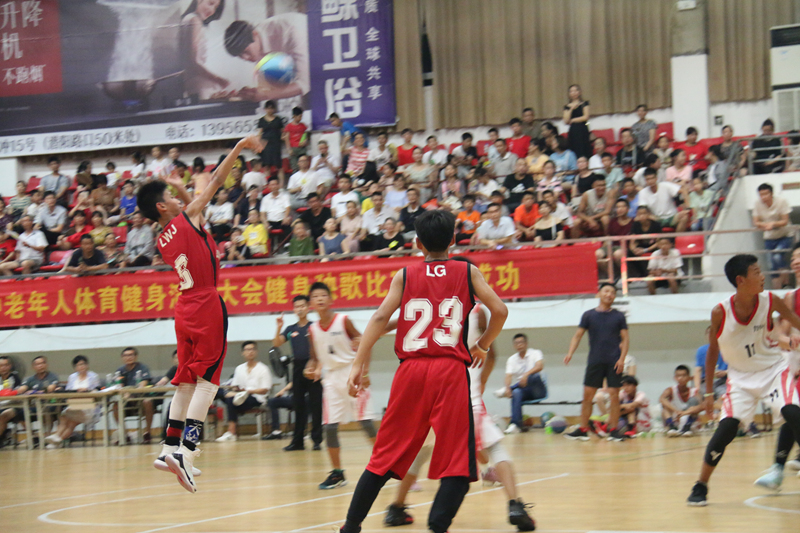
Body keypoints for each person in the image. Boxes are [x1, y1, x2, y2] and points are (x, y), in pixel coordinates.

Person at [338, 209, 508, 533]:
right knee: (459, 463)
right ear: (453, 240)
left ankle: (350, 526)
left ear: (418, 243)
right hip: (450, 371)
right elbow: (499, 310)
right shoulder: (467, 271)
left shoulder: (404, 275)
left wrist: (357, 363)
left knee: (383, 458)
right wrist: (483, 345)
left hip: (410, 371)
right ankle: (437, 525)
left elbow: (378, 319)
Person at [138, 134, 264, 492]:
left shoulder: (164, 235)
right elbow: (215, 181)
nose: (177, 198)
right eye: (170, 196)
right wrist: (239, 147)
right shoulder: (187, 217)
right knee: (208, 383)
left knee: (186, 382)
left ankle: (168, 448)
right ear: (162, 206)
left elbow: (195, 211)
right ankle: (188, 453)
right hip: (206, 303)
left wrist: (179, 187)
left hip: (184, 307)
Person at [384, 302, 535, 532]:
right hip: (463, 391)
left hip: (432, 395)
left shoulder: (431, 306)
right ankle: (515, 505)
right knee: (495, 448)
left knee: (421, 452)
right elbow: (491, 353)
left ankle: (396, 507)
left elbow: (388, 323)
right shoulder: (477, 311)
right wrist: (481, 381)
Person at [686, 254, 800, 505]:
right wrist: (708, 393)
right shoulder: (720, 312)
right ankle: (700, 485)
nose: (762, 277)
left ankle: (781, 467)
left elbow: (796, 322)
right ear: (741, 280)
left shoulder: (770, 300)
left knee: (794, 413)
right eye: (757, 272)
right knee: (726, 429)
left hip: (773, 370)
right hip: (739, 378)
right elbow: (712, 352)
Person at [305, 282, 377, 489]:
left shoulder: (343, 320)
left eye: (323, 295)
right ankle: (337, 474)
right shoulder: (312, 329)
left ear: (330, 299)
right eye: (315, 296)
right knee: (329, 427)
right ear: (311, 303)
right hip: (331, 378)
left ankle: (385, 464)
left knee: (366, 423)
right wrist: (310, 368)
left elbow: (365, 342)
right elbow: (314, 358)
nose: (319, 299)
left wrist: (364, 372)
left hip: (352, 373)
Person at [564, 283, 630, 442]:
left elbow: (626, 339)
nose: (609, 294)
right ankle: (583, 429)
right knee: (587, 396)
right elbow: (578, 336)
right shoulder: (588, 315)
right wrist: (570, 352)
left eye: (612, 292)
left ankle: (613, 430)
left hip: (614, 361)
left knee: (614, 396)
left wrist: (622, 359)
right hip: (595, 360)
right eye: (606, 291)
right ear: (599, 293)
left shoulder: (619, 316)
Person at [222, 14, 310, 102]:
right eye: (239, 55)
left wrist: (266, 95)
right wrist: (253, 93)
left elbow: (305, 83)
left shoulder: (291, 31)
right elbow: (271, 87)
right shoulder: (254, 39)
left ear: (255, 34)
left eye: (246, 51)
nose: (245, 58)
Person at [273, 295, 323, 450]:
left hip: (313, 366)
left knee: (316, 405)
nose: (300, 309)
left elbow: (322, 349)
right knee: (298, 405)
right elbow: (276, 343)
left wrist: (318, 369)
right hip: (297, 368)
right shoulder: (290, 329)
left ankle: (316, 440)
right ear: (294, 309)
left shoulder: (315, 326)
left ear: (308, 308)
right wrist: (279, 327)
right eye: (297, 306)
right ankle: (298, 441)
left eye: (302, 306)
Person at [216, 341, 272, 442]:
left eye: (252, 349)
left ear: (256, 352)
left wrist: (247, 391)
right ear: (243, 353)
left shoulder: (263, 368)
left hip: (256, 398)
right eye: (247, 350)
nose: (250, 352)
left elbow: (265, 390)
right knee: (216, 391)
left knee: (231, 400)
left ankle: (231, 432)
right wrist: (235, 390)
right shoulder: (239, 368)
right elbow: (235, 386)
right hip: (239, 396)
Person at [44, 355, 102, 449]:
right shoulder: (72, 377)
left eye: (83, 364)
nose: (81, 366)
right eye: (79, 365)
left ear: (87, 365)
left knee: (72, 422)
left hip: (89, 406)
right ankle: (57, 438)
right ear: (75, 367)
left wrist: (87, 390)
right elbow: (68, 392)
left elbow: (97, 390)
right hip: (73, 404)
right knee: (64, 417)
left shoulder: (93, 376)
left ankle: (57, 439)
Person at [179, 0, 228, 99]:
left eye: (215, 7)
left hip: (192, 82)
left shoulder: (187, 19)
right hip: (202, 85)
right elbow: (194, 62)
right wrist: (218, 79)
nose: (212, 10)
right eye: (210, 3)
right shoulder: (195, 21)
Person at [498, 334, 546, 434]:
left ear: (526, 343)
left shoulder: (535, 353)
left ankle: (511, 388)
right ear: (514, 345)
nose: (519, 345)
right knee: (516, 392)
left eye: (521, 342)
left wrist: (526, 375)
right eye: (516, 343)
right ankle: (516, 425)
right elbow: (508, 376)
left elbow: (539, 366)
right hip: (524, 390)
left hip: (537, 390)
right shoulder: (512, 359)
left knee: (534, 376)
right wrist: (507, 387)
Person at [110, 347, 155, 444]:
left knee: (148, 402)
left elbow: (143, 384)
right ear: (122, 357)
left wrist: (130, 393)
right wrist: (124, 394)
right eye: (126, 355)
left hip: (140, 398)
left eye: (131, 355)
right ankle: (125, 435)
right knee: (115, 406)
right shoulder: (120, 370)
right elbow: (119, 386)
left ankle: (147, 433)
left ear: (136, 356)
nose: (128, 357)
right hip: (126, 400)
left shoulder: (143, 368)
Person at [752, 183, 793, 289]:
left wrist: (773, 224)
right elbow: (756, 222)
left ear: (771, 194)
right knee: (771, 265)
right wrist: (765, 225)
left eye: (766, 194)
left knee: (777, 256)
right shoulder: (757, 204)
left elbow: (785, 220)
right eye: (761, 195)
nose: (763, 197)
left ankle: (786, 283)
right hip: (769, 237)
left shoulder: (781, 201)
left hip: (785, 235)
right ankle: (777, 289)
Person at [693, 326, 729, 422]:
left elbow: (736, 368)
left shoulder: (728, 348)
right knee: (698, 397)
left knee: (725, 395)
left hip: (722, 381)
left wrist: (725, 372)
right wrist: (697, 387)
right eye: (709, 333)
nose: (712, 335)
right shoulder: (701, 350)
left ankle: (720, 416)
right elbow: (698, 370)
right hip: (706, 381)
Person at [660, 365, 703, 437]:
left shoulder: (694, 391)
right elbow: (661, 399)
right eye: (678, 376)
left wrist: (685, 413)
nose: (680, 378)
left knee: (695, 402)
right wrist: (676, 410)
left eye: (683, 376)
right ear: (675, 378)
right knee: (664, 405)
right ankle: (672, 427)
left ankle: (687, 427)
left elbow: (702, 406)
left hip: (688, 418)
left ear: (689, 378)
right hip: (675, 418)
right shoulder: (670, 390)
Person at [563, 84, 591, 158]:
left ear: (579, 92)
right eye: (571, 91)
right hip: (573, 130)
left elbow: (586, 117)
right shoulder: (567, 106)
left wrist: (572, 120)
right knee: (574, 149)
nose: (574, 93)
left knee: (584, 148)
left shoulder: (584, 103)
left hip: (583, 128)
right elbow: (566, 121)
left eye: (576, 91)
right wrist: (571, 109)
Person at [284, 106, 308, 172]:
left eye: (301, 116)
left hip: (302, 148)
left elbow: (305, 135)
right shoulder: (289, 126)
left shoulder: (303, 125)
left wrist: (305, 141)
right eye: (299, 116)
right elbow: (286, 138)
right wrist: (289, 149)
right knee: (295, 167)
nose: (300, 118)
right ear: (294, 116)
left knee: (304, 166)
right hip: (293, 149)